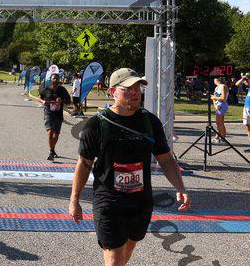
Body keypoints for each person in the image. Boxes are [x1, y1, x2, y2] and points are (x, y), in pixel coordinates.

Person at [69, 68, 190, 266]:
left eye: (137, 87)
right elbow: (84, 164)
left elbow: (166, 159)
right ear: (112, 92)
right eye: (127, 88)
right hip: (108, 200)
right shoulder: (96, 124)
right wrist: (74, 199)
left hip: (140, 201)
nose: (135, 92)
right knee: (114, 258)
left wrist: (180, 187)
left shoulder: (150, 122)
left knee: (129, 247)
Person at [39, 73, 71, 161]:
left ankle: (52, 149)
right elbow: (40, 97)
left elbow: (69, 101)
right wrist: (43, 102)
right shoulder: (46, 90)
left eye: (57, 78)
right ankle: (51, 152)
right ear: (51, 80)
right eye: (54, 78)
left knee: (56, 135)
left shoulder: (62, 90)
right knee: (50, 132)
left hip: (58, 114)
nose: (55, 80)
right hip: (48, 112)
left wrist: (62, 101)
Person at [210, 77, 229, 144]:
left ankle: (223, 139)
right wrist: (215, 105)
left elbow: (223, 98)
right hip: (218, 106)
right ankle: (217, 137)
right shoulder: (217, 87)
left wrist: (214, 97)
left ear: (216, 80)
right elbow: (214, 98)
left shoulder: (223, 86)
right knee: (218, 123)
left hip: (222, 105)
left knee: (221, 123)